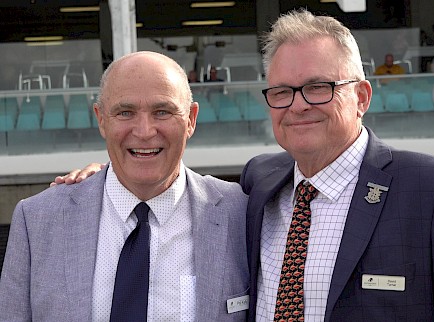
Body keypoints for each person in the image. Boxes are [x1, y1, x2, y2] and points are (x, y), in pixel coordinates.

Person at [52, 9, 434, 322]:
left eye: (318, 87)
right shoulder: (258, 183)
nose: (298, 105)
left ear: (362, 97)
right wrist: (103, 181)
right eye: (282, 91)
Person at [0, 51, 249, 321]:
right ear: (101, 119)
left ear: (191, 119)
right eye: (125, 112)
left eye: (162, 111)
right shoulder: (37, 220)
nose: (144, 131)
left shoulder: (241, 212)